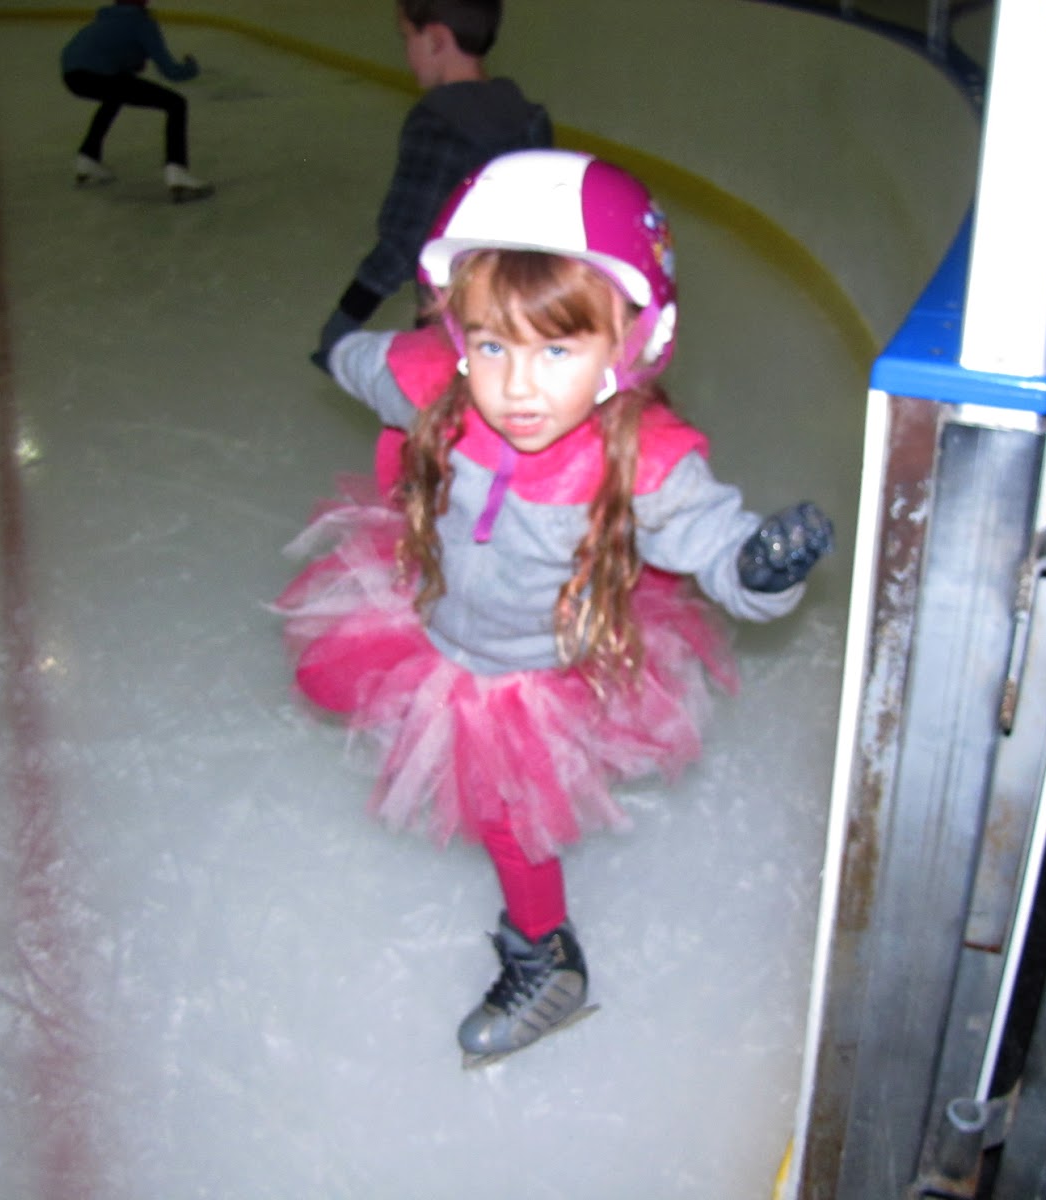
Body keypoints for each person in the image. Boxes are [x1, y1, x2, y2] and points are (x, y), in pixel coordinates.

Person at [275, 149, 834, 1066]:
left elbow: (715, 544)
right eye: (491, 343)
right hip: (432, 616)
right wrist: (338, 344)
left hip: (528, 671)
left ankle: (550, 962)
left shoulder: (639, 464)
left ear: (632, 344)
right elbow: (370, 363)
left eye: (558, 349)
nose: (517, 386)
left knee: (505, 810)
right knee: (343, 682)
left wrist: (762, 570)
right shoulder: (436, 385)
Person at [309, 0, 551, 373]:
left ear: (436, 39)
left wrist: (345, 318)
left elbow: (405, 240)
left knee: (437, 419)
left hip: (451, 330)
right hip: (522, 324)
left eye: (407, 37)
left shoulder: (438, 123)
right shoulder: (530, 118)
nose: (406, 53)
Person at [60, 0, 213, 202]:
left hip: (72, 75)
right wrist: (191, 67)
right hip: (100, 76)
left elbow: (106, 52)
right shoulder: (142, 23)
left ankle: (88, 156)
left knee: (115, 96)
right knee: (175, 103)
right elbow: (171, 71)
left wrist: (129, 64)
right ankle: (177, 170)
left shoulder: (105, 18)